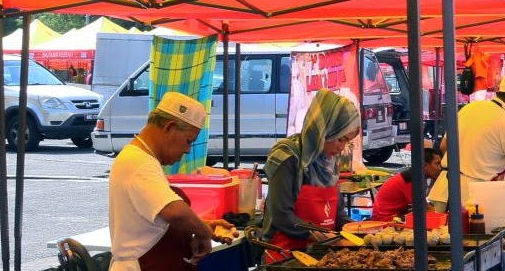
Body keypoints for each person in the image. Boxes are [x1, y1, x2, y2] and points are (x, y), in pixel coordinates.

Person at [108, 92, 234, 271]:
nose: (187, 150)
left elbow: (156, 221)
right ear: (169, 128)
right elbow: (174, 212)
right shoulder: (138, 162)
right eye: (188, 141)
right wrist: (204, 232)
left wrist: (200, 225)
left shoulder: (142, 159)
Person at [261, 89, 361, 260]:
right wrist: (321, 236)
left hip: (322, 254)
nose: (342, 148)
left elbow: (337, 214)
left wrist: (359, 231)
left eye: (347, 141)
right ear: (324, 131)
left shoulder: (329, 161)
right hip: (285, 256)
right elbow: (282, 215)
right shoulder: (288, 157)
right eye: (340, 139)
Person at [428, 72, 505, 210]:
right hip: (470, 199)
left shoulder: (469, 108)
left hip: (443, 190)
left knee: (438, 231)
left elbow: (444, 146)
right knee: (463, 231)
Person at [370, 148, 444, 222]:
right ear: (425, 166)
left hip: (394, 215)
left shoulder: (416, 176)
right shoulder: (412, 180)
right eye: (437, 164)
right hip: (385, 220)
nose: (440, 168)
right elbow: (423, 208)